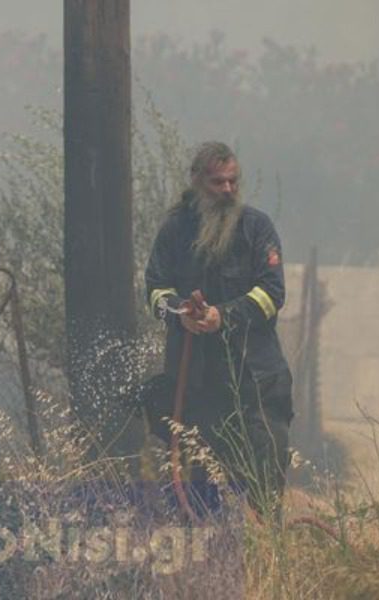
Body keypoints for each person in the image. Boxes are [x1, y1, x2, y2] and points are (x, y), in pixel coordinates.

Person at [144, 142, 293, 514]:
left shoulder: (256, 228)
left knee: (264, 479)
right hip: (196, 384)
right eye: (217, 182)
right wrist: (181, 313)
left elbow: (272, 292)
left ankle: (266, 556)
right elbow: (155, 291)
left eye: (232, 182)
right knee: (196, 487)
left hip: (255, 380)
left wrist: (222, 317)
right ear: (196, 181)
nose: (227, 190)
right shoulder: (174, 232)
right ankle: (207, 562)